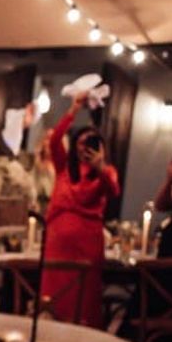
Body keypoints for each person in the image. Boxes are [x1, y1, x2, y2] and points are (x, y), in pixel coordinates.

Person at [39, 92, 120, 328]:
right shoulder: (64, 168)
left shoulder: (107, 172)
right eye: (82, 142)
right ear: (74, 146)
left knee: (82, 302)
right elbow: (55, 140)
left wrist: (101, 166)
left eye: (93, 144)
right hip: (57, 246)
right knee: (54, 300)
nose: (86, 148)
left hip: (87, 247)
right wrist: (73, 110)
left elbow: (114, 190)